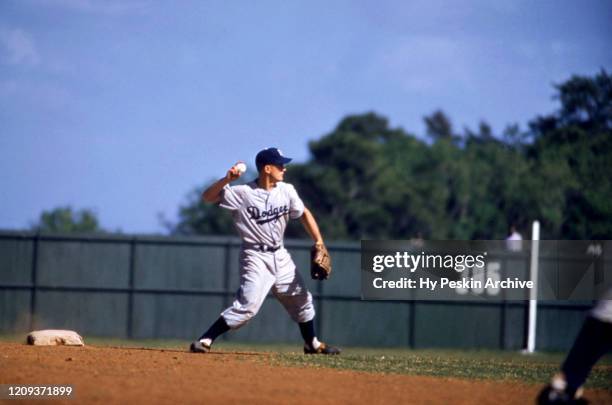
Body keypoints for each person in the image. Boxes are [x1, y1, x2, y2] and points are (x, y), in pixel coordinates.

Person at [189, 147, 340, 355]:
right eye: (280, 165)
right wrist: (226, 179)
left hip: (280, 254)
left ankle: (311, 344)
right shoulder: (243, 193)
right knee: (248, 306)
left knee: (302, 299)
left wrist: (319, 241)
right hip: (255, 256)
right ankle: (205, 339)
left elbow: (303, 213)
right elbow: (207, 197)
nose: (284, 168)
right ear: (267, 168)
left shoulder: (286, 190)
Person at [537, 288, 612, 404]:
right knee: (570, 378)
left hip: (603, 320)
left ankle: (564, 391)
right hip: (604, 318)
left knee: (569, 378)